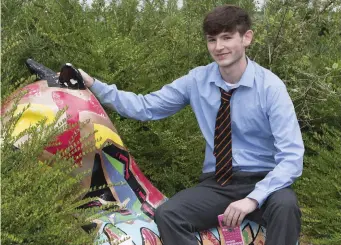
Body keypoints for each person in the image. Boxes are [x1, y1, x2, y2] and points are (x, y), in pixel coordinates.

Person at [79, 4, 304, 245]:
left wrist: (253, 198)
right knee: (169, 215)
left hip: (264, 181)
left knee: (286, 205)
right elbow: (145, 107)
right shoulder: (197, 80)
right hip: (218, 184)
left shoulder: (270, 87)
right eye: (212, 39)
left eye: (227, 38)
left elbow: (291, 157)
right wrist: (92, 83)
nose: (219, 47)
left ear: (246, 37)